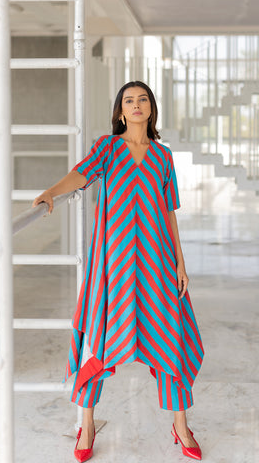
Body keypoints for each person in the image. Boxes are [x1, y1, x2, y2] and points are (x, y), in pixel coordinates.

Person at [33, 81, 204, 461]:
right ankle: (87, 423)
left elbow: (168, 211)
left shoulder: (163, 156)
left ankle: (180, 425)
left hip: (157, 262)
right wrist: (51, 192)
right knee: (98, 337)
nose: (136, 104)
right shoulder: (108, 149)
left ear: (151, 108)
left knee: (171, 338)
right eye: (129, 100)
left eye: (143, 99)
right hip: (114, 264)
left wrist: (180, 261)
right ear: (121, 111)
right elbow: (80, 175)